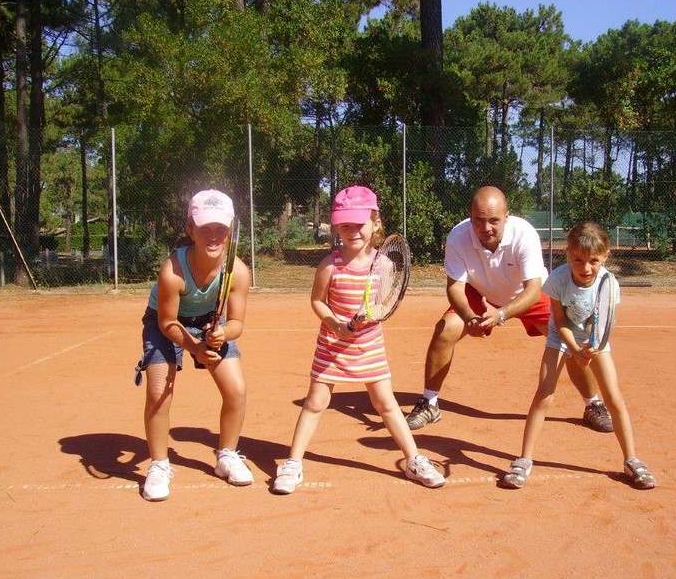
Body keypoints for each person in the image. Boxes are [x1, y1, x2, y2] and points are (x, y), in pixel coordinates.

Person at [272, 185, 445, 494]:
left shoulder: (386, 265)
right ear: (336, 225)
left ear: (375, 223)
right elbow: (317, 301)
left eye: (359, 224)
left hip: (368, 347)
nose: (352, 231)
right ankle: (293, 463)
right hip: (332, 347)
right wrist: (334, 323)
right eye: (345, 225)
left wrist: (371, 315)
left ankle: (414, 460)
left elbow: (383, 304)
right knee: (315, 403)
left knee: (386, 404)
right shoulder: (329, 265)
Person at [405, 186, 613, 433]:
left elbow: (534, 289)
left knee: (571, 342)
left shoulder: (524, 234)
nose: (486, 227)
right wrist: (469, 317)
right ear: (470, 217)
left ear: (507, 216)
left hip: (525, 296)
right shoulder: (457, 237)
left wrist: (501, 314)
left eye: (494, 220)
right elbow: (455, 288)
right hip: (480, 293)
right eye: (478, 220)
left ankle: (593, 403)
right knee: (445, 328)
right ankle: (429, 403)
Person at [502, 221, 656, 490]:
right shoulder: (558, 280)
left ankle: (631, 460)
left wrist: (591, 346)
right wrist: (574, 349)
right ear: (567, 254)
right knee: (544, 394)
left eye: (594, 261)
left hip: (594, 339)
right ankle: (524, 459)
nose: (585, 268)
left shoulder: (609, 283)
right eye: (578, 260)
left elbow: (603, 321)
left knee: (613, 396)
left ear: (606, 256)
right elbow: (559, 322)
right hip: (559, 338)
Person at [135, 189, 253, 501]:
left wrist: (222, 334)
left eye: (220, 229)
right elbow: (167, 323)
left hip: (208, 320)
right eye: (204, 229)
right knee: (160, 392)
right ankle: (159, 465)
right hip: (165, 322)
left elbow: (237, 323)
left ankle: (226, 455)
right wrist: (196, 347)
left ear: (230, 230)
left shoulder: (238, 271)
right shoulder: (172, 270)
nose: (213, 236)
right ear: (191, 230)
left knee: (236, 391)